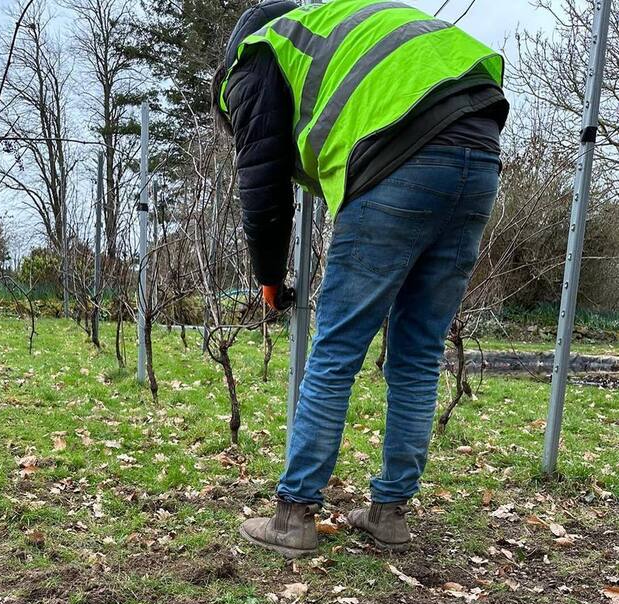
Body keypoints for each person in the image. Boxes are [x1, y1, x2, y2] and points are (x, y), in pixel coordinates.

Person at [213, 0, 508, 555]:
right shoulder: (333, 31)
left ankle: (294, 514)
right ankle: (389, 513)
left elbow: (264, 193)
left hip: (402, 153)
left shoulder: (255, 58)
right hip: (479, 147)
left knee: (336, 348)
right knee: (419, 352)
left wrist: (269, 278)